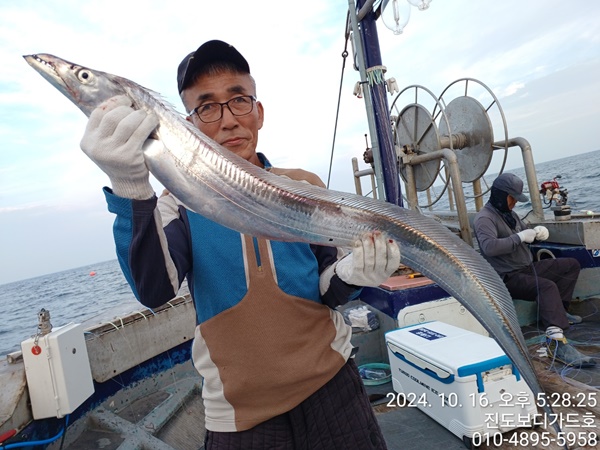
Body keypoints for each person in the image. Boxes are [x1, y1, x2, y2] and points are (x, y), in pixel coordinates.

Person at [79, 39, 400, 449]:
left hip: (334, 389)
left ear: (258, 111)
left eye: (238, 100)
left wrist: (355, 272)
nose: (228, 120)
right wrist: (129, 187)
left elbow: (328, 289)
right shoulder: (176, 204)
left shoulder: (303, 186)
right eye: (207, 107)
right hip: (238, 415)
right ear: (190, 125)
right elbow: (154, 290)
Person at [473, 173, 595, 368]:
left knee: (571, 265)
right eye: (512, 198)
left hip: (527, 268)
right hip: (507, 277)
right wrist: (520, 237)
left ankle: (560, 313)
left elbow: (524, 233)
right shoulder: (484, 218)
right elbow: (489, 247)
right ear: (501, 195)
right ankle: (556, 344)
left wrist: (537, 234)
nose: (514, 202)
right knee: (547, 287)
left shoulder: (510, 214)